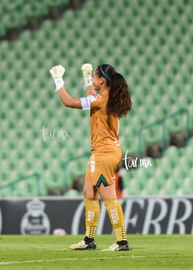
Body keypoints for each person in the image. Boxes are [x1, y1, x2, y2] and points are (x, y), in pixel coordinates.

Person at [49, 63, 132, 251]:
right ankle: (89, 240)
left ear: (102, 81)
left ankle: (122, 241)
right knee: (89, 193)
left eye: (94, 77)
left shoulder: (102, 100)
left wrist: (58, 79)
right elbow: (91, 96)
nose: (93, 80)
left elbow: (68, 102)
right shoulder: (105, 98)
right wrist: (87, 78)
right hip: (102, 153)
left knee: (109, 198)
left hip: (104, 154)